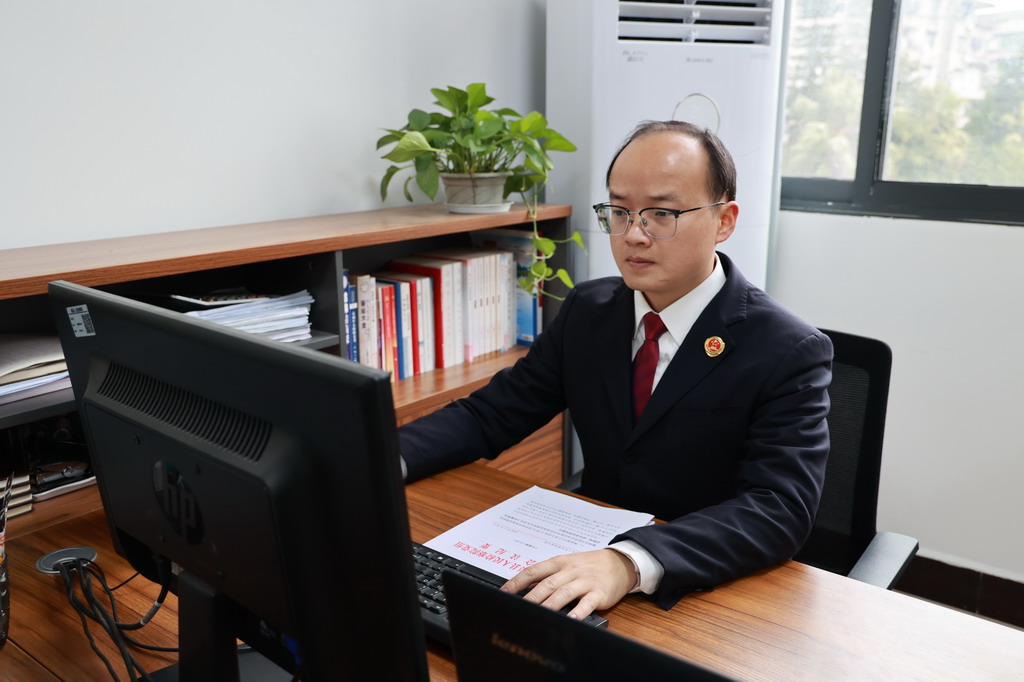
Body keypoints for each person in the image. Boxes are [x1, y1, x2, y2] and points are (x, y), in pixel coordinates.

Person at [398, 120, 833, 619]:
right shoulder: (589, 310)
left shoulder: (787, 349)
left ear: (724, 221)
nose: (634, 236)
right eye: (620, 212)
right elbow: (492, 414)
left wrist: (628, 562)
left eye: (661, 214)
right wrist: (384, 457)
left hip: (700, 587)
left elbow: (779, 507)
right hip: (582, 558)